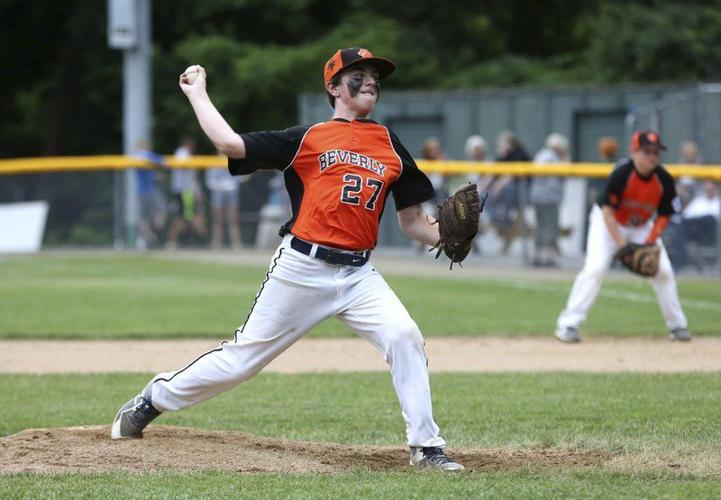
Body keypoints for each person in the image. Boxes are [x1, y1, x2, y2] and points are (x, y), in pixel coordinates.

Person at [111, 47, 464, 471]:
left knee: (404, 336)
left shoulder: (390, 144)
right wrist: (198, 93)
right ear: (333, 87)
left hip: (359, 275)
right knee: (241, 361)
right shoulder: (308, 137)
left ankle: (426, 448)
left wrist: (448, 234)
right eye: (359, 73)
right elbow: (229, 143)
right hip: (301, 269)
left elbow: (411, 221)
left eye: (375, 75)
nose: (370, 80)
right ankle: (154, 398)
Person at [555, 130, 690, 343]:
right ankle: (568, 324)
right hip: (608, 222)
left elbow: (665, 215)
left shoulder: (663, 178)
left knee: (663, 271)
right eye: (647, 152)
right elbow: (607, 211)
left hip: (642, 226)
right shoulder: (622, 173)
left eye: (656, 152)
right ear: (634, 152)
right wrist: (621, 245)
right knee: (595, 268)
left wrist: (649, 240)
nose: (652, 157)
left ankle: (678, 325)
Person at [529, 133, 569, 267]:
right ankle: (545, 258)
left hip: (539, 196)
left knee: (541, 227)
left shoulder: (542, 154)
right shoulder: (552, 157)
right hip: (549, 197)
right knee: (549, 228)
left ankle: (537, 256)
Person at [491, 131, 531, 254]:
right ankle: (496, 216)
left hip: (524, 191)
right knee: (483, 195)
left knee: (508, 189)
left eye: (503, 144)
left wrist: (498, 185)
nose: (500, 146)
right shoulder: (503, 155)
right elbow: (492, 173)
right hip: (508, 192)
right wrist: (481, 186)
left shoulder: (519, 153)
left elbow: (512, 175)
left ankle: (504, 215)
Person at [166, 137, 208, 249]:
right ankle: (174, 241)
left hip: (186, 191)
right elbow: (185, 169)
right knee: (185, 217)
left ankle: (182, 241)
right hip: (184, 191)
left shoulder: (183, 154)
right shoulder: (182, 153)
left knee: (186, 217)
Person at [133, 139, 167, 249]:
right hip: (151, 191)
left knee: (143, 217)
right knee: (161, 210)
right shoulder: (147, 154)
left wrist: (156, 175)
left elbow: (148, 173)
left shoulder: (135, 157)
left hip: (140, 191)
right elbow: (164, 162)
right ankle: (152, 233)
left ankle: (148, 235)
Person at [205, 159, 242, 249]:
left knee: (233, 220)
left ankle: (236, 244)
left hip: (231, 192)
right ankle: (216, 244)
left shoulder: (233, 162)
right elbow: (209, 181)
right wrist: (219, 187)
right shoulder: (214, 163)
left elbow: (240, 178)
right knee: (217, 220)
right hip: (218, 192)